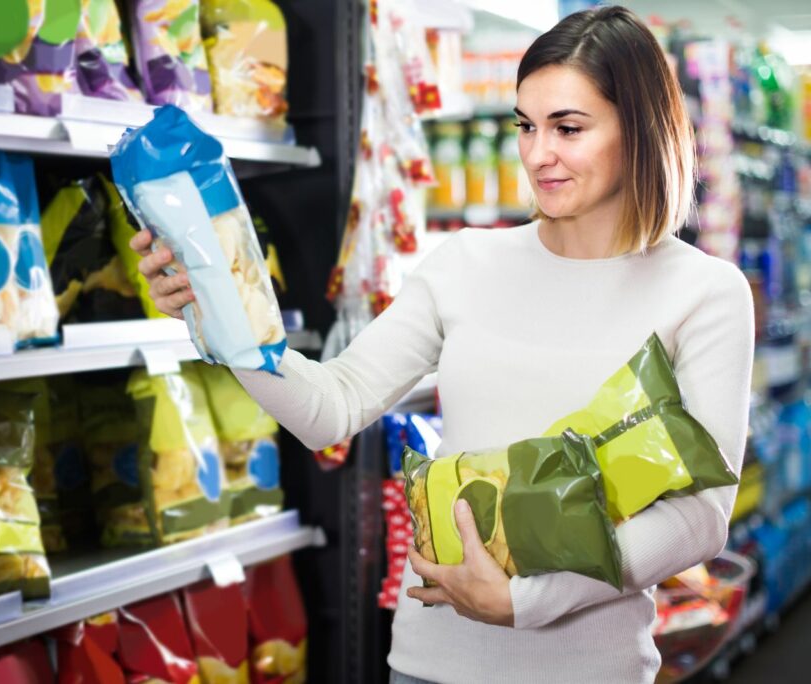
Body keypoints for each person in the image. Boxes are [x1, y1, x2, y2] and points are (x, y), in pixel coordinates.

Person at [129, 6, 754, 683]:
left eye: (568, 128)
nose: (538, 153)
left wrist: (523, 602)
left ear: (641, 129)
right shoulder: (464, 264)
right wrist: (217, 315)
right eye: (526, 125)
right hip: (431, 665)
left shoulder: (705, 292)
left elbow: (699, 516)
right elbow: (331, 408)